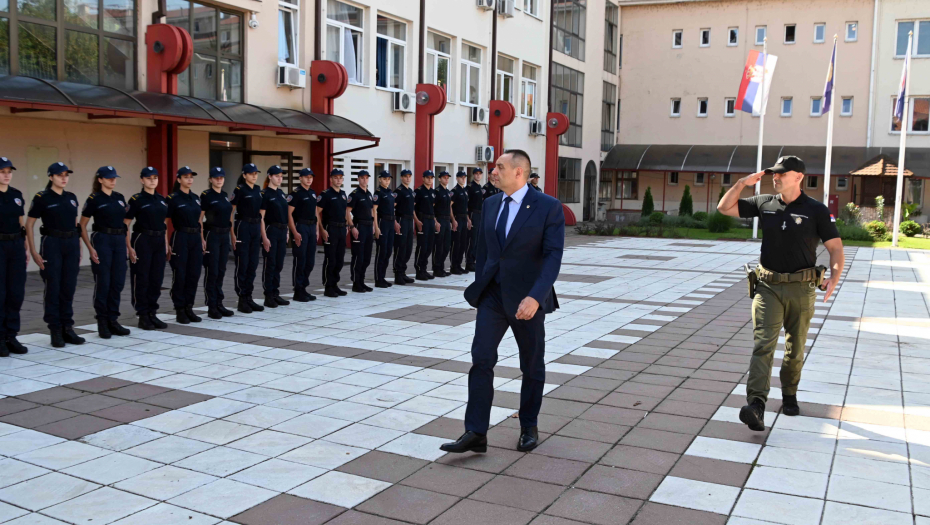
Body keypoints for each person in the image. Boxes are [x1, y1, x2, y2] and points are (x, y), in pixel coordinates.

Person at [441, 149, 564, 454]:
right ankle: (476, 431)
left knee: (531, 364)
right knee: (481, 359)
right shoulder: (491, 203)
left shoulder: (548, 207)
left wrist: (536, 296)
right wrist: (480, 285)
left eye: (499, 167)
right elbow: (485, 252)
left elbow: (553, 257)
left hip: (527, 299)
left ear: (519, 172)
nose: (493, 172)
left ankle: (528, 426)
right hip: (493, 296)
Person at [717, 155, 844, 430]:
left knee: (795, 348)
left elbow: (835, 247)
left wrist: (834, 275)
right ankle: (756, 405)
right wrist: (741, 183)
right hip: (768, 287)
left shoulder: (816, 210)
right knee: (763, 344)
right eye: (774, 173)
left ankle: (789, 394)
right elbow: (724, 208)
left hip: (801, 289)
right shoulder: (764, 202)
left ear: (798, 177)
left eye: (782, 174)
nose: (775, 177)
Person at [25, 162, 86, 348]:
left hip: (71, 244)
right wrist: (33, 250)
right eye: (60, 175)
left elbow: (76, 224)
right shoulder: (42, 197)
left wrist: (80, 246)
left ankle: (68, 327)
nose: (64, 178)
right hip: (52, 244)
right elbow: (29, 224)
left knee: (68, 287)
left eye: (66, 174)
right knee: (54, 287)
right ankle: (55, 330)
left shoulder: (72, 197)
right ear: (51, 177)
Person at [79, 166, 131, 339]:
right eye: (109, 178)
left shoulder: (119, 198)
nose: (113, 181)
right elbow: (82, 225)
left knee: (117, 282)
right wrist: (90, 247)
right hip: (102, 240)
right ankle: (102, 321)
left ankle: (113, 319)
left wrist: (128, 246)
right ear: (100, 180)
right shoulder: (94, 199)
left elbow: (124, 225)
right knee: (104, 282)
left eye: (114, 178)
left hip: (118, 241)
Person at [125, 167, 169, 331]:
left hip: (158, 240)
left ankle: (152, 312)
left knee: (156, 278)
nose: (152, 180)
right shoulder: (136, 199)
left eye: (155, 177)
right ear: (142, 180)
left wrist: (165, 243)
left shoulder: (161, 199)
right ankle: (142, 314)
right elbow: (126, 224)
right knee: (141, 277)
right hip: (142, 239)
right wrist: (129, 247)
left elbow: (163, 223)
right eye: (149, 178)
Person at [167, 166, 203, 324]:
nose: (189, 179)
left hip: (195, 237)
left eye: (191, 176)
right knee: (180, 274)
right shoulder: (172, 198)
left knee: (194, 274)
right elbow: (164, 222)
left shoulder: (195, 198)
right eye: (186, 177)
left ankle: (189, 307)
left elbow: (199, 220)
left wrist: (202, 238)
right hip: (180, 236)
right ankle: (180, 309)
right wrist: (165, 243)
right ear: (179, 179)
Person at [0, 157, 29, 357]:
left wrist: (25, 246)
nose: (7, 174)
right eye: (3, 171)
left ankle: (11, 335)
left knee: (15, 292)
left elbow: (21, 223)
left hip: (16, 245)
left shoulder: (16, 195)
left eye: (9, 171)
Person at [201, 167, 235, 319]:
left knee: (221, 271)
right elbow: (199, 218)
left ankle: (219, 303)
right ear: (210, 179)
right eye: (216, 177)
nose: (219, 179)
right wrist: (201, 238)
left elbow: (229, 218)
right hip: (212, 235)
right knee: (212, 271)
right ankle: (211, 305)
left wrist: (232, 235)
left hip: (224, 235)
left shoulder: (225, 195)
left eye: (221, 177)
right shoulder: (206, 195)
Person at [231, 163, 265, 314]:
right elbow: (231, 212)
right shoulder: (239, 190)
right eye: (251, 174)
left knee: (253, 263)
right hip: (243, 226)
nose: (254, 176)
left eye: (255, 173)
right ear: (244, 175)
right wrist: (232, 233)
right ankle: (242, 299)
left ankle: (249, 297)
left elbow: (261, 213)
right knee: (242, 263)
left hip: (255, 226)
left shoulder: (258, 190)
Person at [259, 165, 290, 308]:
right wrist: (264, 237)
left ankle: (276, 293)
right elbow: (261, 218)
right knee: (270, 264)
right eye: (277, 176)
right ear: (270, 176)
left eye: (281, 176)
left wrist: (288, 230)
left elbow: (285, 215)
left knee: (279, 263)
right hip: (271, 230)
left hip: (282, 231)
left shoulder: (281, 194)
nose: (279, 178)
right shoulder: (265, 194)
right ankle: (268, 295)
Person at [288, 168, 318, 302]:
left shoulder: (312, 193)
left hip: (312, 227)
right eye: (306, 177)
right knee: (300, 259)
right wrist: (294, 232)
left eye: (311, 177)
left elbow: (315, 212)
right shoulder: (296, 194)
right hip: (301, 227)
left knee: (310, 261)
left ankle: (304, 287)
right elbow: (289, 214)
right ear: (300, 178)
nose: (309, 179)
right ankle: (298, 290)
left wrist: (317, 229)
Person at [319, 169, 349, 298]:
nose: (338, 180)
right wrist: (322, 229)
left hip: (342, 229)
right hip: (330, 228)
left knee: (340, 259)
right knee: (330, 259)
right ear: (331, 179)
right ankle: (328, 286)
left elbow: (345, 211)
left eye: (340, 178)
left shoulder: (343, 194)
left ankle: (335, 284)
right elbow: (317, 212)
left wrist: (348, 225)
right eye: (335, 177)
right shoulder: (325, 194)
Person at [348, 170, 375, 293]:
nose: (365, 180)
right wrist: (352, 226)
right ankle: (356, 282)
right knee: (358, 256)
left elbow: (371, 211)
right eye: (362, 178)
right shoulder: (354, 194)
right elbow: (347, 211)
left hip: (369, 226)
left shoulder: (369, 194)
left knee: (367, 256)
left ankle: (362, 281)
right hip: (359, 226)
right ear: (358, 179)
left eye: (366, 178)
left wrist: (374, 225)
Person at [372, 170, 397, 288]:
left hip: (391, 223)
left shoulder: (390, 192)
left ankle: (383, 277)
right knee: (381, 251)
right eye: (385, 179)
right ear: (380, 179)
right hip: (382, 223)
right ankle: (378, 279)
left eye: (388, 179)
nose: (387, 181)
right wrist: (376, 227)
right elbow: (374, 210)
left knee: (388, 251)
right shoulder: (378, 192)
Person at [392, 170, 416, 285]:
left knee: (408, 248)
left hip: (409, 220)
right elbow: (391, 207)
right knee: (400, 247)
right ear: (401, 177)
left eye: (409, 176)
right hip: (401, 220)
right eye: (405, 176)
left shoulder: (410, 191)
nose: (407, 178)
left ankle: (403, 272)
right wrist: (395, 221)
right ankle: (397, 274)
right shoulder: (398, 191)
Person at [414, 171, 437, 281]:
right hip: (422, 220)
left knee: (429, 246)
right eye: (427, 177)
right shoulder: (419, 191)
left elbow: (432, 208)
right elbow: (412, 208)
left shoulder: (433, 192)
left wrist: (436, 221)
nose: (429, 179)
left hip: (431, 220)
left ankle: (424, 269)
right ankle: (418, 270)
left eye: (431, 178)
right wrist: (417, 220)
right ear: (423, 178)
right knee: (422, 245)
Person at [432, 171, 455, 277]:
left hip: (446, 220)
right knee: (439, 246)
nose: (446, 179)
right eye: (444, 178)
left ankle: (441, 267)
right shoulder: (437, 191)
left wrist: (452, 220)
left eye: (447, 178)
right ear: (439, 179)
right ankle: (437, 268)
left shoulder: (447, 192)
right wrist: (435, 221)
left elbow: (449, 208)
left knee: (446, 246)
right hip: (440, 219)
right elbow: (432, 207)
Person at [449, 170, 470, 275]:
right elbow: (450, 206)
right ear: (457, 178)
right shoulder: (455, 190)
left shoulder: (465, 191)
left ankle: (459, 265)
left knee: (463, 243)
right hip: (457, 218)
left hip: (463, 218)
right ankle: (453, 266)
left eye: (464, 177)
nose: (463, 179)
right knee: (456, 243)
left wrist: (468, 219)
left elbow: (466, 207)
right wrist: (453, 220)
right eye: (461, 177)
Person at [465, 167, 484, 272]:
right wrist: (468, 218)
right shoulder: (470, 187)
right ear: (473, 175)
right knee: (472, 239)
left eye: (479, 174)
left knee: (477, 239)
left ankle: (473, 260)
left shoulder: (480, 187)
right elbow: (466, 204)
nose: (478, 175)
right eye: (476, 174)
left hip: (480, 214)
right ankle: (469, 262)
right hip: (473, 214)